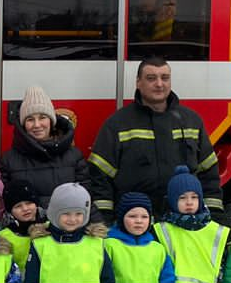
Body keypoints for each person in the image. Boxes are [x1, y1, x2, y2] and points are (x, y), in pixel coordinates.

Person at [86, 56, 222, 221]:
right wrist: (104, 220)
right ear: (138, 82)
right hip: (137, 223)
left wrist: (213, 215)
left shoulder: (191, 121)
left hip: (183, 223)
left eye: (165, 78)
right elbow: (99, 176)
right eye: (151, 78)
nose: (159, 84)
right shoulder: (117, 124)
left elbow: (209, 173)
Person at [0, 86, 85, 210]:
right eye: (30, 119)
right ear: (23, 125)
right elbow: (1, 205)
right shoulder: (8, 161)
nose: (37, 125)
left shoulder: (74, 157)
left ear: (51, 121)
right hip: (26, 229)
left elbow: (86, 199)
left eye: (42, 117)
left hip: (67, 226)